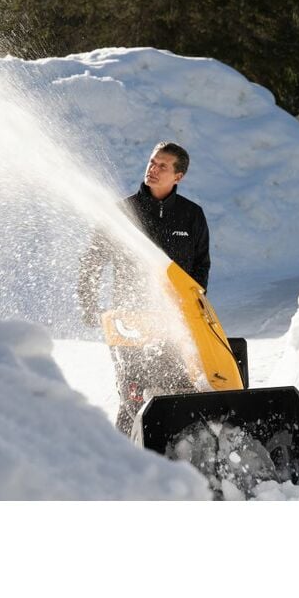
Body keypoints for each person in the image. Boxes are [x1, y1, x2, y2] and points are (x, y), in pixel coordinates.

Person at [77, 141, 210, 435]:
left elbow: (201, 266)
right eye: (152, 162)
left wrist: (194, 307)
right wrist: (89, 303)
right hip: (129, 322)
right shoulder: (123, 212)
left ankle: (176, 456)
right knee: (133, 395)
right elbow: (92, 261)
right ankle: (125, 460)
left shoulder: (192, 215)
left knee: (181, 389)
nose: (153, 169)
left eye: (163, 166)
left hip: (174, 322)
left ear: (179, 176)